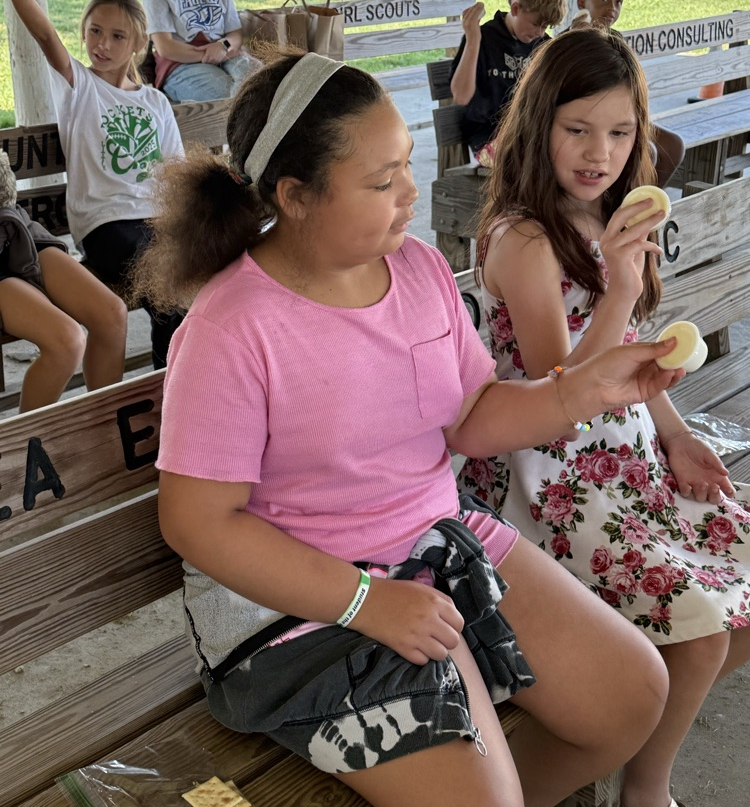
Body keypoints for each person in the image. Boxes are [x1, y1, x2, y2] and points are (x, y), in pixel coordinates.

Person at [138, 48, 690, 807]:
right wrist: (365, 600)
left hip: (432, 544)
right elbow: (198, 523)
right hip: (297, 611)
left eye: (406, 165)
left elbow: (470, 416)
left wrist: (581, 390)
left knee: (632, 692)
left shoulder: (420, 269)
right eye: (380, 180)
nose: (408, 193)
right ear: (295, 196)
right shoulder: (233, 327)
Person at [457, 26, 750, 807]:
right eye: (578, 129)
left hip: (630, 460)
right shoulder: (524, 238)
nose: (600, 152)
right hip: (546, 480)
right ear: (539, 123)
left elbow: (638, 363)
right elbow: (566, 394)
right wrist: (619, 287)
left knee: (741, 590)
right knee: (702, 630)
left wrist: (682, 438)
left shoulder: (611, 218)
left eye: (621, 133)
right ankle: (645, 789)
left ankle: (634, 756)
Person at [0, 0, 185, 369]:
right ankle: (159, 394)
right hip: (106, 225)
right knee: (165, 291)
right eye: (95, 32)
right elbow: (45, 34)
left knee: (183, 290)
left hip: (154, 223)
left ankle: (173, 389)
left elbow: (175, 173)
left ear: (138, 43)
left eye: (117, 36)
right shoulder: (81, 87)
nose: (102, 44)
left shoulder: (156, 102)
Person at [0, 151, 126, 413]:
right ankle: (28, 446)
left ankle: (104, 429)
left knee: (112, 314)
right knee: (68, 342)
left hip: (14, 227)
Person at [577, 0, 685, 187]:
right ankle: (617, 208)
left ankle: (645, 203)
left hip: (622, 118)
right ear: (581, 2)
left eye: (619, 2)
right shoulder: (572, 41)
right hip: (592, 124)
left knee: (673, 145)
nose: (612, 8)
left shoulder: (617, 40)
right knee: (647, 152)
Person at [449, 0, 566, 167]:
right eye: (536, 23)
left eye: (546, 27)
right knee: (531, 163)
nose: (540, 32)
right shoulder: (483, 39)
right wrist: (473, 41)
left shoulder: (544, 46)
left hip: (530, 136)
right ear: (515, 8)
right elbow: (461, 96)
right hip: (490, 138)